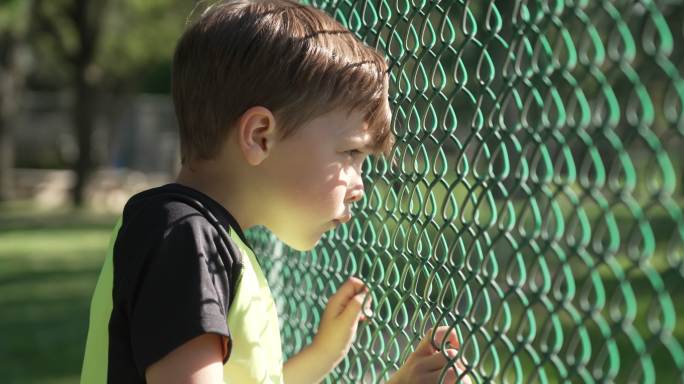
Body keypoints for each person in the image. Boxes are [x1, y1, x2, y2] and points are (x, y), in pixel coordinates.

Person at [80, 0, 470, 383]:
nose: (359, 187)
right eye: (350, 152)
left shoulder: (210, 241)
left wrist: (324, 356)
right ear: (260, 136)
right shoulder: (184, 237)